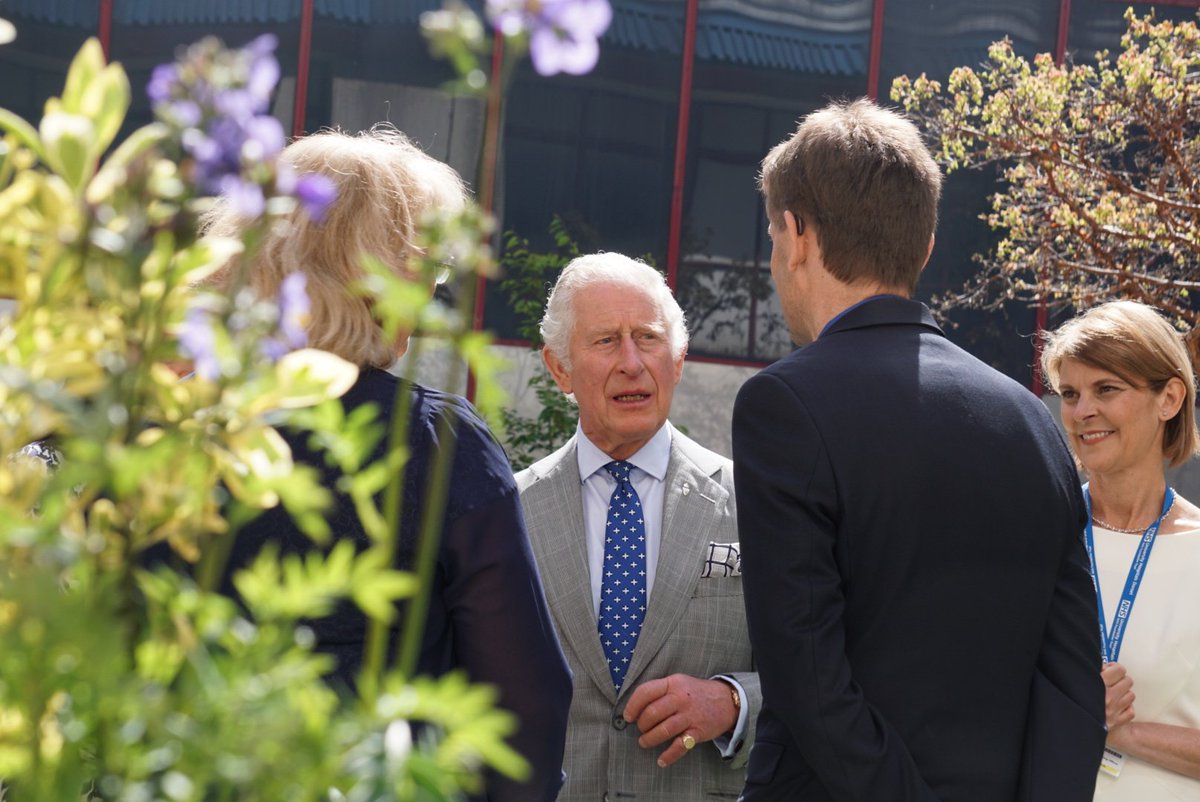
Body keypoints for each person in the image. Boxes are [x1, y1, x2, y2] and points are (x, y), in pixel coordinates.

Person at [731, 98, 1106, 802]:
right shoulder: (1033, 423)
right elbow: (1073, 688)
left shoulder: (783, 405)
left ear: (796, 233)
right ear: (926, 245)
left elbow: (808, 678)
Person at [202, 127, 572, 802]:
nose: (429, 305)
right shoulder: (435, 439)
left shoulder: (176, 426)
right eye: (427, 277)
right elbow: (526, 703)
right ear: (376, 279)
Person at [515, 252, 760, 800]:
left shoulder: (756, 503)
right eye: (605, 341)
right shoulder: (510, 510)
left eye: (648, 338)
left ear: (677, 360)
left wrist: (735, 702)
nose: (631, 362)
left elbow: (818, 676)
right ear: (560, 369)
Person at [1041, 300, 1200, 799]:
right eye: (1070, 393)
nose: (1082, 411)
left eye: (1106, 389)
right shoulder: (1038, 534)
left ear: (1169, 398)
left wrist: (1115, 729)